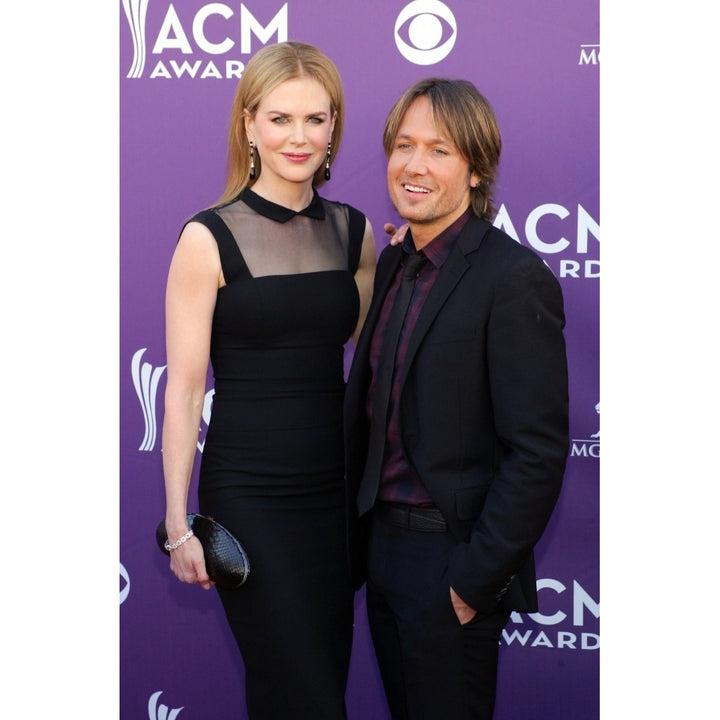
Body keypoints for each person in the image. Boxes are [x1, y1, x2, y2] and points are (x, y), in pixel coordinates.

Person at [161, 41, 376, 720]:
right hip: (250, 498)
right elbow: (186, 392)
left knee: (309, 691)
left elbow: (370, 356)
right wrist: (177, 520)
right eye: (280, 118)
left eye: (316, 119)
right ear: (249, 124)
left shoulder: (356, 234)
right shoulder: (207, 238)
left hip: (334, 503)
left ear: (335, 127)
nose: (299, 137)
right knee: (305, 696)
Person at [344, 78, 569, 720]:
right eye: (404, 146)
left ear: (476, 170)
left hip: (450, 563)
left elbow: (537, 452)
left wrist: (471, 581)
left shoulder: (514, 279)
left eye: (439, 150)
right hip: (381, 551)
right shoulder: (394, 264)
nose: (415, 165)